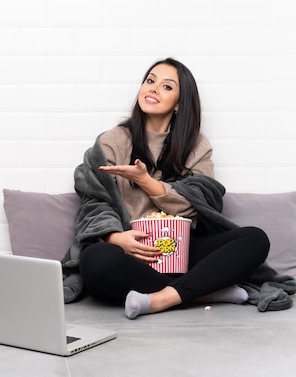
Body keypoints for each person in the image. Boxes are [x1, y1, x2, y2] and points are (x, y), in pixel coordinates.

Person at [61, 57, 283, 319]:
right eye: (150, 81)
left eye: (167, 87)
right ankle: (207, 292)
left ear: (179, 103)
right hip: (134, 255)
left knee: (255, 239)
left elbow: (204, 202)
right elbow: (94, 201)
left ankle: (162, 299)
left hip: (183, 251)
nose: (153, 88)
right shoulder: (112, 142)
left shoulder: (197, 146)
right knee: (95, 261)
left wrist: (147, 181)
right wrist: (113, 237)